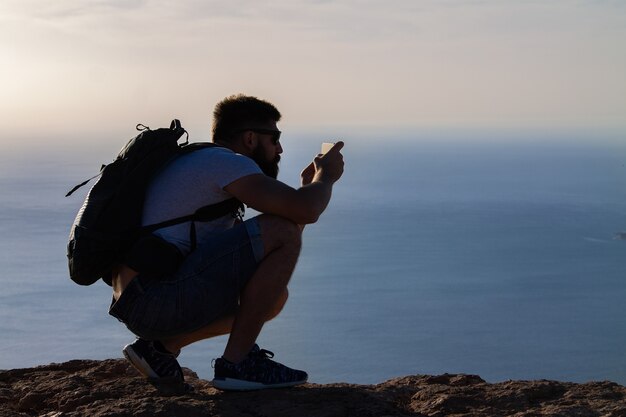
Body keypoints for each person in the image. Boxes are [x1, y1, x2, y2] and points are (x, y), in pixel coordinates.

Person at [108, 94, 345, 392]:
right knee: (279, 232)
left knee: (273, 296)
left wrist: (307, 189)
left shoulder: (200, 163)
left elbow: (281, 239)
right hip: (153, 299)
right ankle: (238, 364)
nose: (280, 148)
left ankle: (159, 349)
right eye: (275, 138)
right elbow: (303, 213)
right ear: (250, 138)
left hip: (143, 299)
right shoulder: (223, 162)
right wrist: (326, 178)